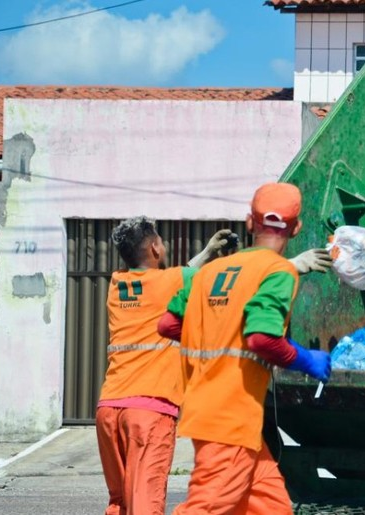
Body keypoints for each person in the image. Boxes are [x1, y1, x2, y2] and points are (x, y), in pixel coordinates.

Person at [161, 182, 331, 515]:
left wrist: (216, 333)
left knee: (272, 507)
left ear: (250, 223)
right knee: (205, 508)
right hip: (231, 419)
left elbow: (167, 325)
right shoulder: (278, 271)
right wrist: (306, 359)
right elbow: (261, 339)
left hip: (215, 413)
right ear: (295, 229)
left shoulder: (208, 272)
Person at [97, 217, 233, 515]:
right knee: (145, 504)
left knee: (120, 502)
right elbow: (193, 277)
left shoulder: (118, 283)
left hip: (109, 410)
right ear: (156, 247)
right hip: (149, 410)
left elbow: (179, 274)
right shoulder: (170, 281)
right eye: (161, 239)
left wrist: (209, 250)